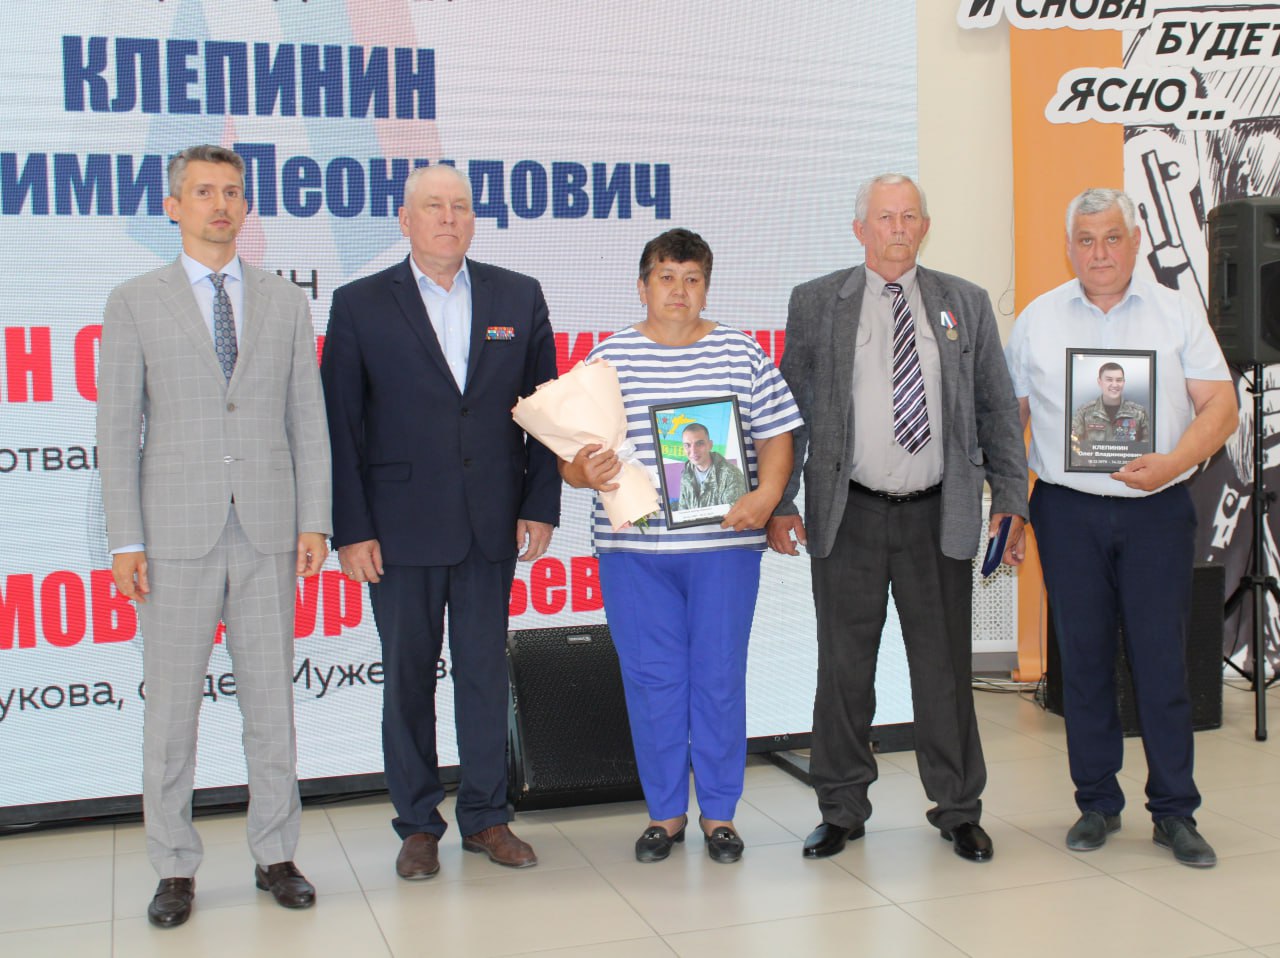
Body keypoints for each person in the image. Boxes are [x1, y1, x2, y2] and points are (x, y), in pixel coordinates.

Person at [97, 144, 331, 927]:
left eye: (231, 191)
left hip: (267, 532)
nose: (220, 205)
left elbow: (307, 419)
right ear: (174, 207)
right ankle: (173, 866)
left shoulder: (284, 301)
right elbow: (117, 430)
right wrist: (125, 540)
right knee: (170, 714)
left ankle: (276, 854)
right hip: (172, 538)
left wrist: (314, 519)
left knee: (271, 707)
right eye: (203, 192)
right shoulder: (135, 301)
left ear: (245, 205)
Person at [767, 173, 1028, 864]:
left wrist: (1011, 499)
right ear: (861, 229)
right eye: (886, 218)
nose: (899, 229)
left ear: (925, 227)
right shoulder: (817, 302)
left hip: (937, 514)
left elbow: (997, 408)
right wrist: (780, 500)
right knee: (843, 671)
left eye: (910, 216)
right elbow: (790, 412)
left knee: (944, 672)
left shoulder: (964, 303)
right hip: (848, 513)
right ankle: (841, 809)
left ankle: (958, 809)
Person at [321, 163, 560, 880]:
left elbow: (546, 411)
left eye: (460, 206)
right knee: (407, 681)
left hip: (491, 523)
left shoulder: (518, 295)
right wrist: (351, 529)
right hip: (397, 531)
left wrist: (539, 503)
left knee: (484, 675)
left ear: (473, 219)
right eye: (433, 206)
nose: (449, 218)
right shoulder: (359, 304)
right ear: (405, 220)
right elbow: (342, 427)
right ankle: (418, 824)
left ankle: (487, 816)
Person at [1005, 187, 1237, 867]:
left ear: (1135, 241)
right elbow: (1010, 421)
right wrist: (1009, 505)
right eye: (1086, 240)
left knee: (1162, 662)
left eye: (1112, 238)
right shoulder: (1039, 319)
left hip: (1157, 510)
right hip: (1067, 509)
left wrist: (1174, 464)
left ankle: (1175, 811)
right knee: (1081, 662)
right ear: (1068, 247)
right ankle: (1097, 802)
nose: (1099, 253)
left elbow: (1221, 407)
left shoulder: (1176, 311)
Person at [561, 228, 801, 864]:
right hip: (634, 554)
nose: (679, 290)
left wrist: (766, 495)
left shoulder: (741, 353)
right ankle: (664, 815)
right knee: (652, 682)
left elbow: (777, 434)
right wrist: (583, 472)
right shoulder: (607, 358)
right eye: (666, 277)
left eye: (692, 279)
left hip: (724, 549)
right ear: (642, 286)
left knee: (718, 679)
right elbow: (570, 457)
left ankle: (720, 814)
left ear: (706, 288)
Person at [1070, 362, 1150, 453]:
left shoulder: (1139, 413)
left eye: (1119, 380)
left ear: (1123, 382)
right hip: (1092, 462)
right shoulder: (1084, 413)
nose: (1115, 385)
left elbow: (1147, 449)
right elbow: (1073, 447)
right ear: (1099, 382)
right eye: (1109, 380)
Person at [677, 422, 747, 510]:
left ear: (710, 445)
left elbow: (736, 513)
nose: (693, 450)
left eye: (699, 443)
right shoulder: (686, 475)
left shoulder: (731, 474)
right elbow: (682, 511)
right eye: (687, 445)